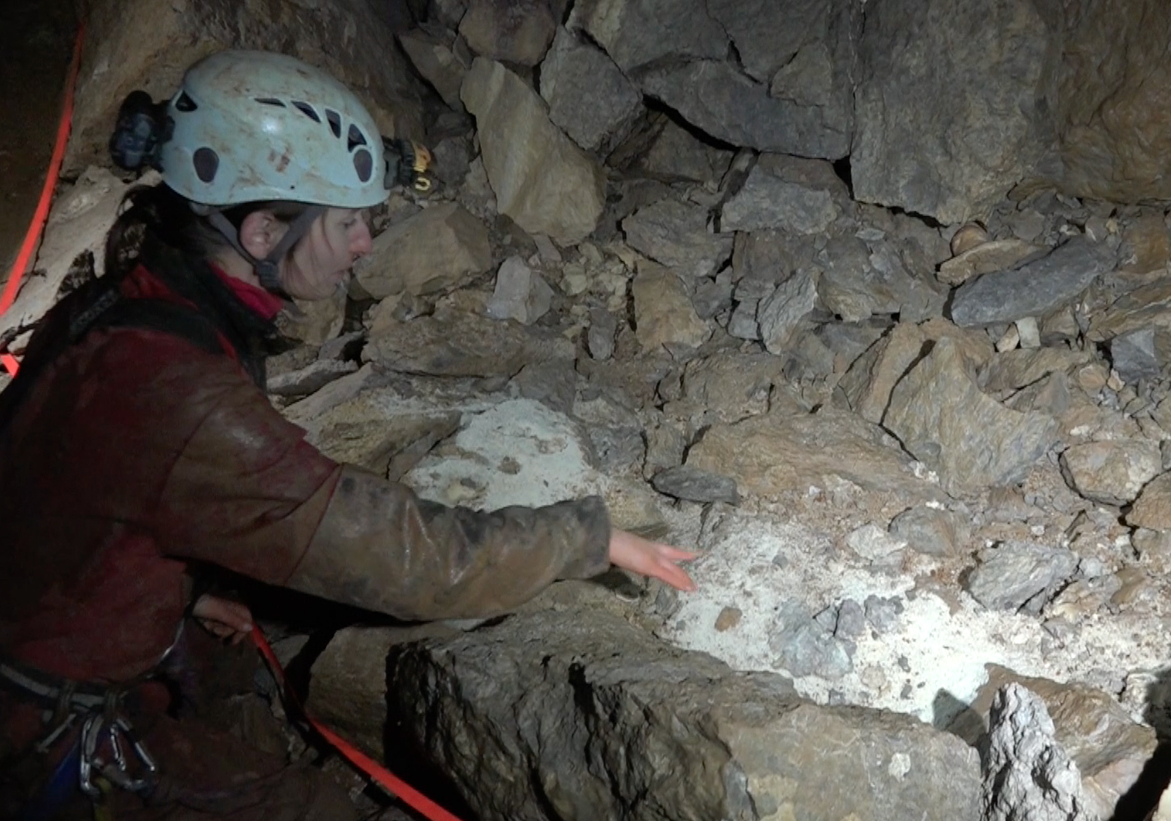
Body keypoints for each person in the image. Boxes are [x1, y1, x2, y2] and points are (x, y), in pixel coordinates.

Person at [0, 49, 696, 821]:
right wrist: (585, 536)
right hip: (34, 734)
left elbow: (64, 492)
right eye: (347, 223)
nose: (365, 244)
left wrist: (174, 591)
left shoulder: (122, 303)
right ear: (262, 230)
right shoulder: (185, 394)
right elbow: (408, 559)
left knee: (227, 685)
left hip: (35, 635)